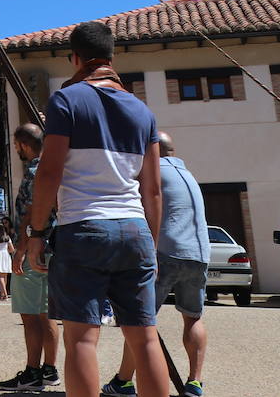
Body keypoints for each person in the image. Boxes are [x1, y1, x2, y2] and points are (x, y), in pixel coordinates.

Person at [26, 21, 169, 397]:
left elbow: (49, 173)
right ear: (110, 56)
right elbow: (152, 190)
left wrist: (37, 233)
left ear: (75, 58)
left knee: (83, 340)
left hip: (83, 227)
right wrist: (150, 246)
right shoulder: (143, 112)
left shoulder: (66, 99)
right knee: (145, 340)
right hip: (135, 229)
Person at [104, 132, 212, 397]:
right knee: (193, 317)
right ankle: (195, 382)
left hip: (166, 251)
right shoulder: (189, 175)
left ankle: (124, 381)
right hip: (199, 253)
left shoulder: (152, 172)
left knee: (139, 320)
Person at [0, 122, 62, 392]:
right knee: (47, 314)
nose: (16, 151)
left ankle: (33, 372)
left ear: (23, 145)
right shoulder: (53, 167)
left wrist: (21, 249)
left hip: (33, 248)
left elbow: (31, 213)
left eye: (16, 146)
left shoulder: (34, 171)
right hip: (52, 249)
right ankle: (49, 369)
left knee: (31, 315)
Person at [0, 219, 13, 299]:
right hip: (6, 254)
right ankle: (3, 293)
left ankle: (4, 294)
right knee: (5, 275)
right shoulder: (7, 237)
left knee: (0, 275)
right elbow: (12, 249)